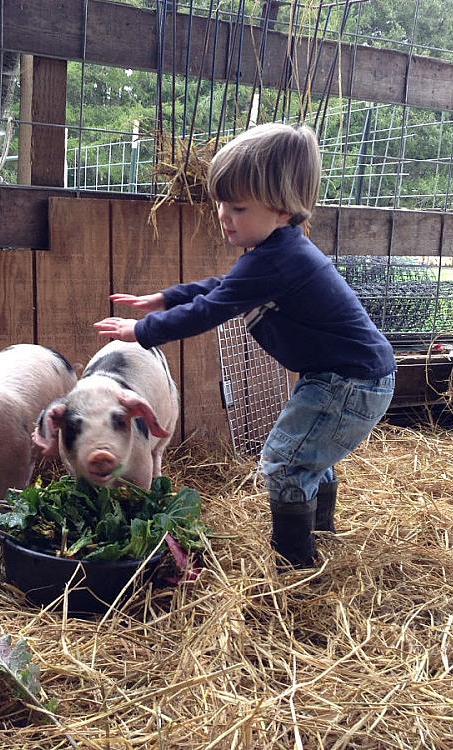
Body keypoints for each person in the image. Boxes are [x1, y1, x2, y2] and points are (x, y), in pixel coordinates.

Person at [93, 122, 396, 568]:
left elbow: (212, 309)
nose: (223, 215)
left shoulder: (283, 258)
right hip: (348, 375)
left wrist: (142, 331)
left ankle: (295, 565)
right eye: (220, 203)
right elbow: (223, 286)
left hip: (348, 381)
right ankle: (319, 535)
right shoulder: (277, 253)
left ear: (281, 209)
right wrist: (165, 297)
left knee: (283, 462)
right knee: (307, 455)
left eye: (237, 206)